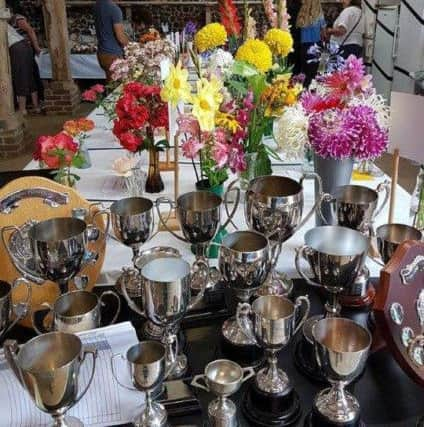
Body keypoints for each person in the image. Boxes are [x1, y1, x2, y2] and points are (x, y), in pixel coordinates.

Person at [10, 12, 44, 103]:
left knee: (27, 76)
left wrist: (36, 47)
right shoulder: (11, 22)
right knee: (29, 76)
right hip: (23, 48)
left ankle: (33, 103)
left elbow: (30, 30)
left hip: (23, 49)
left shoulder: (17, 18)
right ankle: (34, 103)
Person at [7, 24, 40, 115]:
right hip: (25, 44)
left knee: (20, 76)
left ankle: (22, 110)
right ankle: (36, 107)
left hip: (16, 48)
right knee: (29, 76)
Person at [94, 0, 129, 81]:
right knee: (118, 88)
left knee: (110, 84)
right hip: (113, 55)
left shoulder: (97, 5)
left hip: (101, 53)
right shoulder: (114, 9)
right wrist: (132, 45)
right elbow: (120, 38)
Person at [296, 0, 326, 87]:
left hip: (304, 47)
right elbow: (324, 34)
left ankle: (304, 93)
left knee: (305, 74)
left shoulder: (302, 15)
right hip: (316, 46)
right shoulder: (319, 15)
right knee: (317, 74)